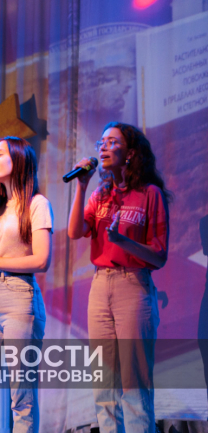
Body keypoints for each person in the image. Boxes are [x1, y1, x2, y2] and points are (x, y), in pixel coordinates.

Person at [67, 122, 170, 433]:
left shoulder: (150, 194)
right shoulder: (100, 194)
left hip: (133, 284)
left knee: (134, 381)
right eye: (101, 142)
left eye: (112, 141)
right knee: (104, 381)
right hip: (100, 284)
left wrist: (123, 241)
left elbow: (159, 256)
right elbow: (75, 231)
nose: (103, 147)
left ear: (131, 153)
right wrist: (81, 186)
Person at [0, 136, 52, 433]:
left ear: (18, 159)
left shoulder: (37, 204)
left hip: (20, 296)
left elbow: (42, 260)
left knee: (21, 393)